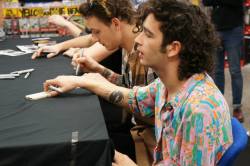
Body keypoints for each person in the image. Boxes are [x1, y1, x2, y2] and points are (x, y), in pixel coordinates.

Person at [43, 0, 233, 165]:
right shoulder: (169, 84)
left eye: (148, 34)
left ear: (173, 48)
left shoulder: (198, 111)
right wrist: (84, 81)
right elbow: (134, 97)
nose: (138, 40)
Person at [202, 0, 245, 122]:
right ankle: (218, 107)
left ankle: (237, 108)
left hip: (234, 30)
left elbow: (237, 2)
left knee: (235, 71)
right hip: (216, 28)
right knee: (217, 71)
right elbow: (206, 2)